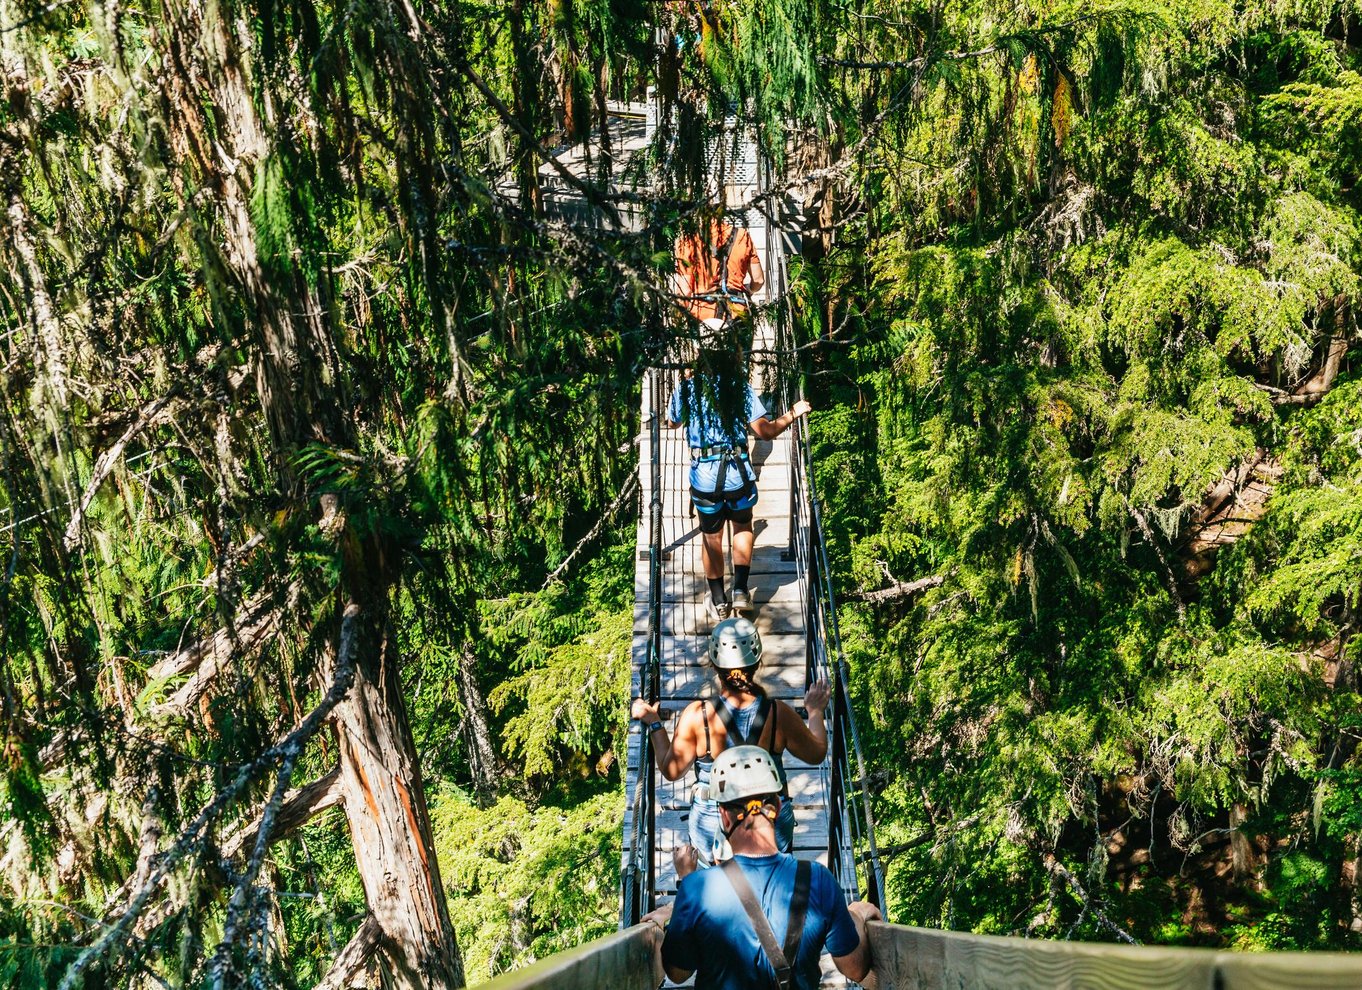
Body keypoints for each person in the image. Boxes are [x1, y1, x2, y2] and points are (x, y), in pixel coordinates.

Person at [642, 746, 881, 990]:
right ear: (776, 806)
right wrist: (856, 914)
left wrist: (666, 920)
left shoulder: (696, 888)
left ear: (724, 817)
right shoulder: (819, 880)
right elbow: (855, 969)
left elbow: (678, 973)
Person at [631, 617, 829, 867]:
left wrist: (655, 724)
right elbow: (817, 753)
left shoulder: (698, 715)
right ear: (758, 662)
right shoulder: (778, 714)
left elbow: (671, 770)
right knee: (773, 867)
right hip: (769, 815)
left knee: (713, 874)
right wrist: (814, 712)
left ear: (714, 665)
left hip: (714, 820)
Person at [666, 340, 810, 617]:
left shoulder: (687, 389)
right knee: (742, 527)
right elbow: (765, 432)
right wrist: (792, 413)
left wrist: (682, 385)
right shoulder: (739, 388)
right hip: (737, 475)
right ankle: (741, 591)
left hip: (704, 479)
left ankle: (719, 602)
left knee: (711, 537)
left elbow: (672, 422)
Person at [674, 217, 765, 322]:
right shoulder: (742, 235)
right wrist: (748, 290)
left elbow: (684, 291)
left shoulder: (690, 241)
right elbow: (759, 280)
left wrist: (678, 321)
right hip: (737, 314)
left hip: (703, 315)